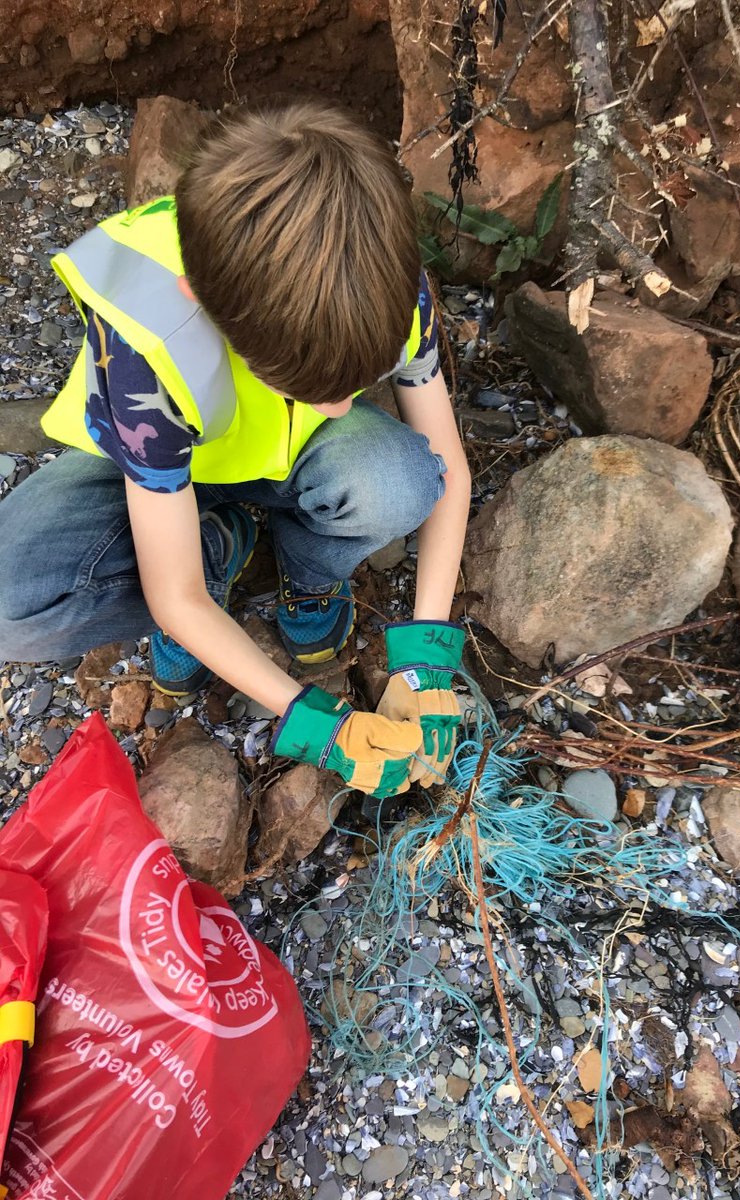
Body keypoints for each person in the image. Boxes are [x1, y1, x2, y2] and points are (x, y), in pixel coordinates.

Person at [0, 101, 472, 801]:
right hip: (156, 476)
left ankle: (309, 570)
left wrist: (425, 663)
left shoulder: (383, 280)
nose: (342, 407)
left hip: (299, 462)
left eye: (356, 382)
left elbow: (448, 470)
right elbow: (174, 595)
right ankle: (215, 543)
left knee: (400, 478)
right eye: (313, 383)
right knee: (12, 604)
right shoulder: (147, 345)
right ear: (205, 301)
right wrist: (322, 728)